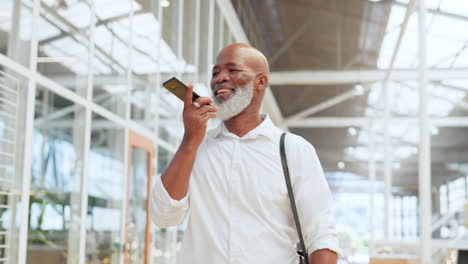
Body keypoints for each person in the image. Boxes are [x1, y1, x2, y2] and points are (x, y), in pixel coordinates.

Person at [150, 43, 340, 264]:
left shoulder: (293, 150)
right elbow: (163, 216)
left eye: (232, 70)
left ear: (261, 81)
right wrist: (190, 139)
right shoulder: (196, 147)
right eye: (215, 72)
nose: (220, 77)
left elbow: (320, 233)